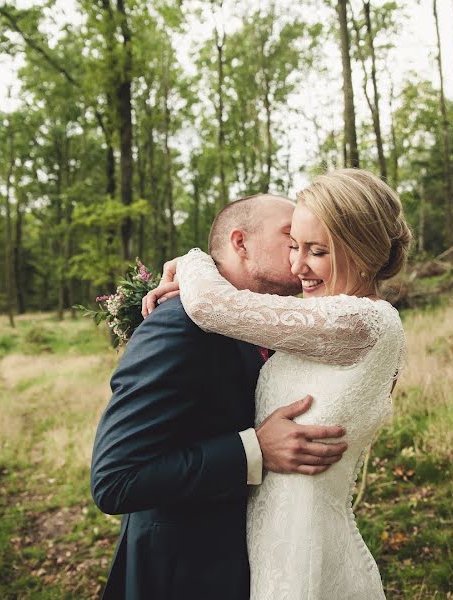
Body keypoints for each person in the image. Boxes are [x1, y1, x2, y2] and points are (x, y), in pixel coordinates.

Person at [144, 168, 412, 600]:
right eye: (294, 247)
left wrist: (193, 259)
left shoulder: (361, 322)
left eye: (317, 251)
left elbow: (214, 306)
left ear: (361, 252)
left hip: (305, 546)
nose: (297, 266)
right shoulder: (326, 317)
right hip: (269, 536)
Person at [89, 193, 349, 600]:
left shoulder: (265, 322)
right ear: (240, 243)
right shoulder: (179, 325)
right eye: (289, 237)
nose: (300, 253)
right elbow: (115, 480)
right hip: (182, 575)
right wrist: (255, 449)